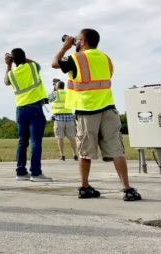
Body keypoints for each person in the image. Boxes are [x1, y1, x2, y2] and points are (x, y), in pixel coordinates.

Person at [51, 29, 141, 201]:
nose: (75, 42)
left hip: (86, 111)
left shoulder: (76, 58)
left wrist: (65, 47)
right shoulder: (106, 58)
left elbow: (55, 64)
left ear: (82, 42)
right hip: (108, 109)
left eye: (77, 40)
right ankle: (127, 189)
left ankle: (85, 187)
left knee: (85, 152)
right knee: (116, 149)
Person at [4, 49, 51, 182]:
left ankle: (20, 172)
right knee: (35, 141)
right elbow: (38, 65)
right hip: (34, 107)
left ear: (13, 60)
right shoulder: (31, 66)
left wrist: (8, 64)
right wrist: (20, 59)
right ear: (25, 57)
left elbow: (6, 82)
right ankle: (35, 173)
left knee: (22, 142)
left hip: (20, 109)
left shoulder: (11, 73)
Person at [49, 79, 78, 161]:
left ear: (56, 86)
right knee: (72, 137)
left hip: (58, 119)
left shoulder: (55, 93)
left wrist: (54, 90)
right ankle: (75, 154)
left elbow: (48, 99)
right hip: (69, 118)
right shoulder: (69, 93)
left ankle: (62, 155)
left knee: (60, 138)